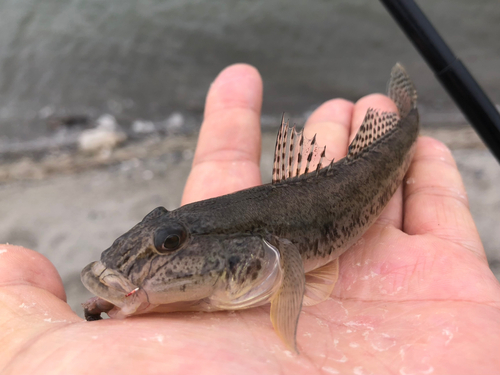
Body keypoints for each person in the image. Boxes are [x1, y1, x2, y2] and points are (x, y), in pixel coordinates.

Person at [1, 64, 499, 375]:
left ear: (255, 253)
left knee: (408, 139)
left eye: (171, 243)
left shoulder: (274, 252)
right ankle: (410, 111)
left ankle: (411, 116)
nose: (160, 252)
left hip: (384, 152)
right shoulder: (231, 248)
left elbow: (295, 275)